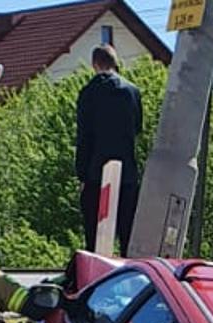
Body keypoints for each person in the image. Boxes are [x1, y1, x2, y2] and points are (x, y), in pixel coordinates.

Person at [76, 44, 144, 256]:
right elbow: (138, 128)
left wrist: (82, 175)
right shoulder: (132, 92)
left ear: (95, 64)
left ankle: (99, 274)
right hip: (127, 174)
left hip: (96, 174)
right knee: (127, 236)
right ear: (115, 63)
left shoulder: (88, 93)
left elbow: (84, 136)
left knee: (95, 239)